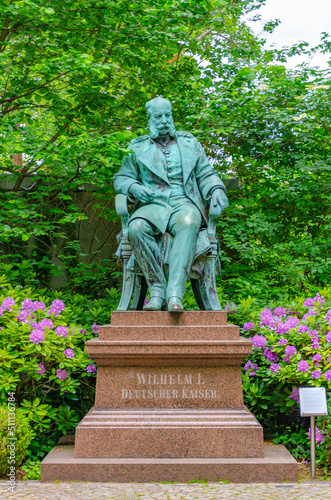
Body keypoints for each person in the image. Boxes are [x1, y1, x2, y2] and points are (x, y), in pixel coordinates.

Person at [114, 97, 228, 312]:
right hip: (152, 204)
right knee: (136, 227)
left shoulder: (189, 143)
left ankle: (175, 293)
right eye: (159, 116)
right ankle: (157, 289)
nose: (164, 120)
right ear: (150, 118)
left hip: (183, 202)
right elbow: (121, 177)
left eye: (168, 115)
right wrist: (133, 187)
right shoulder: (137, 147)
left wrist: (216, 189)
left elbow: (205, 173)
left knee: (189, 221)